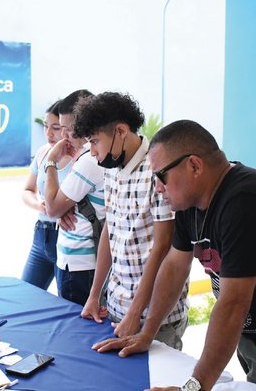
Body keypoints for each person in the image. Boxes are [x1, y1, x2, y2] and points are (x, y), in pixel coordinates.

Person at [93, 120, 256, 390]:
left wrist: (194, 387)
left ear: (195, 166)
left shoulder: (246, 201)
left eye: (160, 176)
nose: (158, 187)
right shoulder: (191, 200)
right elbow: (175, 266)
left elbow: (233, 303)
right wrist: (147, 332)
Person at [74, 92, 189, 350]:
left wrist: (136, 314)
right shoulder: (111, 169)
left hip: (155, 319)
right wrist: (94, 295)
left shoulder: (157, 169)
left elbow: (163, 247)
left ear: (121, 130)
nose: (92, 152)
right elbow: (109, 231)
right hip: (117, 308)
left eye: (95, 142)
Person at [43, 89, 105, 305]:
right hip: (80, 263)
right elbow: (59, 206)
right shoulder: (87, 156)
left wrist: (50, 161)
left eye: (67, 129)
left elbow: (52, 208)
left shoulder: (90, 160)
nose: (64, 136)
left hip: (80, 265)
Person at [20, 100, 73, 290]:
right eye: (45, 126)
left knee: (67, 302)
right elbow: (27, 190)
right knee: (26, 294)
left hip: (67, 237)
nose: (48, 133)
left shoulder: (81, 159)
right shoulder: (43, 153)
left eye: (56, 128)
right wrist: (40, 206)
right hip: (41, 235)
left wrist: (60, 210)